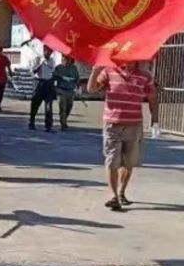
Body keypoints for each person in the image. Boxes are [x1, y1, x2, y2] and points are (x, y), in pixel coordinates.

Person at [87, 61, 159, 212]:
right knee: (112, 160)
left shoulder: (144, 76)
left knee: (129, 162)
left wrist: (155, 120)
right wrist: (95, 70)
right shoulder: (108, 71)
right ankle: (114, 197)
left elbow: (152, 97)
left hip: (134, 125)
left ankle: (121, 192)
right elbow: (91, 89)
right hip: (112, 124)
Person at [29, 45, 56, 132]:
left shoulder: (51, 60)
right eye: (48, 51)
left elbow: (51, 70)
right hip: (39, 83)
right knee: (35, 105)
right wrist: (40, 63)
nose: (49, 53)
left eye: (51, 52)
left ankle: (48, 126)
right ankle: (32, 122)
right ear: (44, 51)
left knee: (48, 106)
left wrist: (46, 62)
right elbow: (33, 71)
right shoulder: (37, 59)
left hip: (48, 83)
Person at [53, 55, 81, 131]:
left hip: (70, 91)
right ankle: (63, 123)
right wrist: (62, 77)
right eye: (63, 58)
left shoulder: (74, 68)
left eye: (67, 59)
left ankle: (64, 119)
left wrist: (78, 88)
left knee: (69, 107)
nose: (65, 60)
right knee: (62, 108)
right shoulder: (58, 67)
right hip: (61, 90)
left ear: (70, 59)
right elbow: (53, 75)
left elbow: (77, 78)